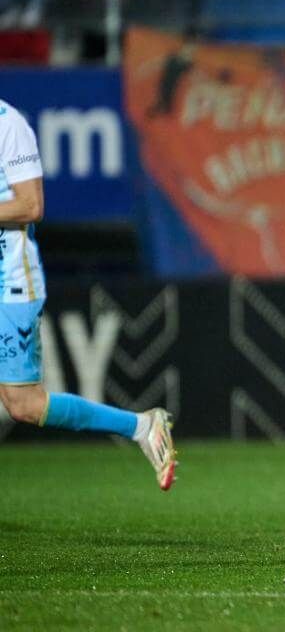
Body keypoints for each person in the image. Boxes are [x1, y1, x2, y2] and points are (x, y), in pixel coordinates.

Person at [0, 98, 177, 490]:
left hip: (9, 284)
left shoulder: (8, 125)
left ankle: (141, 426)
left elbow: (31, 204)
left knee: (24, 404)